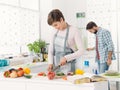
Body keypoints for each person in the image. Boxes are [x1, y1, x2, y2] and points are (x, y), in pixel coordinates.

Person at [47, 9, 84, 74]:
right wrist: (50, 63)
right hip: (57, 68)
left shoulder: (74, 30)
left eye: (56, 25)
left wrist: (66, 58)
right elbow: (51, 50)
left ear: (61, 19)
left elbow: (81, 51)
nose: (55, 27)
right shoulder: (54, 31)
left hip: (70, 68)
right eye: (53, 26)